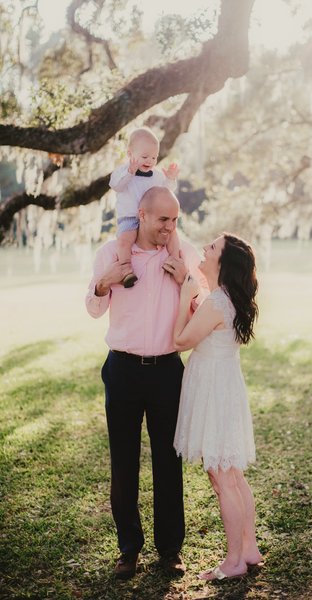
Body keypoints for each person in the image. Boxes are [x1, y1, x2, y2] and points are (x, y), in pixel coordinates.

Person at [85, 187, 206, 580]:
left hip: (168, 370)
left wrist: (186, 279)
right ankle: (128, 549)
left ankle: (170, 549)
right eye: (162, 220)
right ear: (141, 214)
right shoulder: (112, 253)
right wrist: (105, 281)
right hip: (121, 370)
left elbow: (202, 305)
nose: (170, 228)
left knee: (168, 462)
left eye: (175, 220)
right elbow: (92, 306)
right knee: (123, 462)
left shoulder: (182, 252)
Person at [173, 233, 263, 581]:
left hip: (214, 391)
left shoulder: (215, 303)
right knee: (232, 475)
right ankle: (249, 548)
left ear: (222, 264)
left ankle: (234, 562)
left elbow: (180, 341)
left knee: (224, 478)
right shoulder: (225, 300)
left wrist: (184, 298)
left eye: (212, 248)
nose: (205, 249)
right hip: (224, 388)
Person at [109, 126, 180, 288]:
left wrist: (170, 179)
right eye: (145, 156)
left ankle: (174, 260)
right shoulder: (122, 172)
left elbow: (166, 193)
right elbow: (116, 186)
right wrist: (130, 172)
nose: (149, 161)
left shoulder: (157, 175)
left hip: (152, 220)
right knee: (124, 241)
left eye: (154, 157)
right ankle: (126, 269)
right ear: (129, 154)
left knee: (172, 234)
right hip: (130, 218)